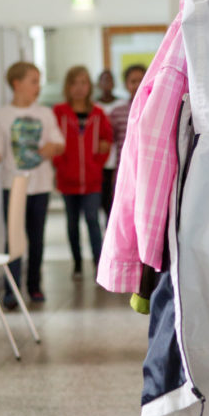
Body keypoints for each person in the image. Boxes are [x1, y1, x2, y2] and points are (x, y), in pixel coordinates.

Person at [0, 62, 64, 307]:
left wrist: (53, 147)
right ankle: (11, 290)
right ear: (16, 84)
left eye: (38, 81)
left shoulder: (45, 114)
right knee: (13, 240)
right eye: (33, 81)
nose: (37, 86)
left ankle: (34, 287)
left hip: (40, 187)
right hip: (13, 187)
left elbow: (59, 143)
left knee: (37, 239)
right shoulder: (2, 116)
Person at [53, 66, 113, 279]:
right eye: (74, 83)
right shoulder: (58, 112)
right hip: (67, 180)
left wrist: (96, 163)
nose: (79, 88)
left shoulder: (98, 113)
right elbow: (53, 142)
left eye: (83, 83)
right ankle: (77, 264)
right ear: (67, 87)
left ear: (89, 86)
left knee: (92, 221)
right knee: (71, 224)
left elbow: (107, 140)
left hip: (92, 179)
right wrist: (60, 163)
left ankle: (99, 264)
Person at [106, 63, 147, 221]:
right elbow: (109, 145)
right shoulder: (117, 112)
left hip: (149, 171)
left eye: (141, 79)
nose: (137, 85)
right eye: (133, 81)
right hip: (125, 172)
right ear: (126, 84)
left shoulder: (156, 107)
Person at [95, 69, 119, 221]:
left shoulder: (121, 104)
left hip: (117, 157)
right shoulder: (93, 106)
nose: (107, 83)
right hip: (100, 159)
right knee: (103, 197)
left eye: (109, 80)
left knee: (115, 196)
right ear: (98, 84)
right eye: (103, 80)